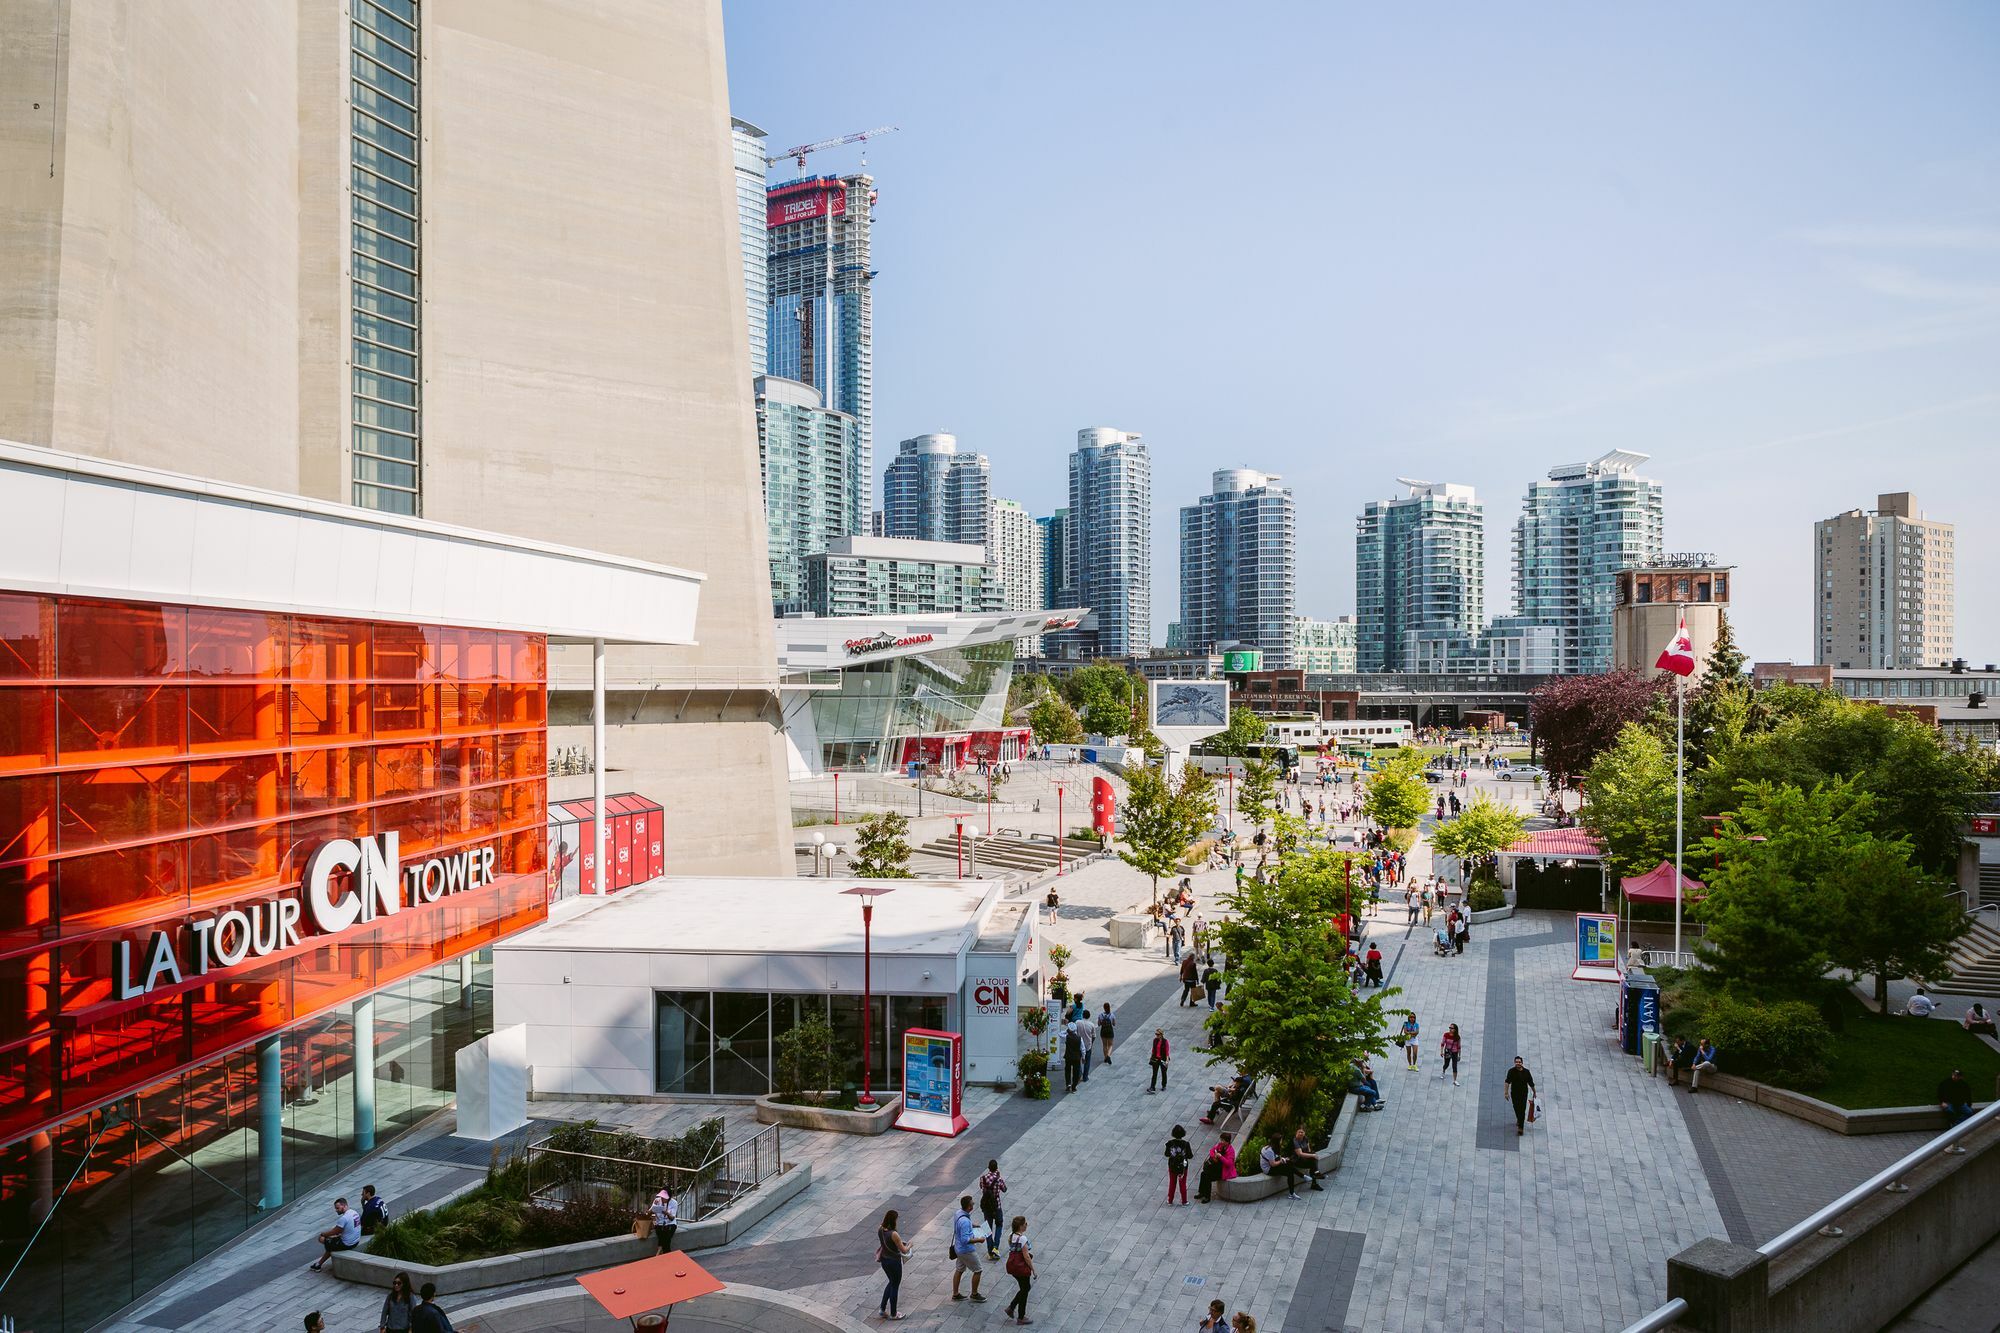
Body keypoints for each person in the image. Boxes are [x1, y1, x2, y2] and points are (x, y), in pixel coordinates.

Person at [1000, 1213, 1035, 1325]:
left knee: (1024, 1288)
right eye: (1025, 1223)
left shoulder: (1011, 1236)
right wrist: (1033, 1269)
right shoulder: (1022, 1238)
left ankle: (1011, 1307)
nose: (1026, 1225)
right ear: (1020, 1226)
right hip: (1021, 1268)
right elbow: (1026, 1256)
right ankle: (1021, 1316)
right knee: (1025, 1290)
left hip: (1013, 1266)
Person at [876, 1208, 911, 1320]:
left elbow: (886, 1243)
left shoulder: (880, 1229)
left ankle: (882, 1309)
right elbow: (904, 1250)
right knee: (895, 1285)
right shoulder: (894, 1234)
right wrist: (910, 1245)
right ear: (893, 1220)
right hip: (894, 1262)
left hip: (884, 1260)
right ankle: (894, 1313)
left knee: (891, 1282)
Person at [950, 1195, 986, 1303]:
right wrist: (979, 1240)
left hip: (958, 1248)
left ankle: (955, 1294)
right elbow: (966, 1239)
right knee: (978, 1270)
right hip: (966, 1250)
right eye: (972, 1204)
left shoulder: (958, 1213)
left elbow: (964, 1226)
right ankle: (974, 1294)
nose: (973, 1205)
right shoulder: (965, 1221)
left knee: (959, 1270)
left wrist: (975, 1226)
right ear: (969, 1207)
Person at [311, 1196, 362, 1271]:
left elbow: (335, 1231)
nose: (336, 1210)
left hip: (347, 1244)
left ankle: (319, 1264)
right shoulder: (354, 1213)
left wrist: (323, 1234)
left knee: (322, 1239)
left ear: (344, 1206)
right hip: (356, 1241)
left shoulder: (344, 1218)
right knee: (331, 1243)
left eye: (337, 1208)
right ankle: (318, 1264)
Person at [978, 1159, 1007, 1260]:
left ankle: (990, 1251)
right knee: (999, 1225)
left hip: (986, 1207)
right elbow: (1004, 1189)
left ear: (988, 1167)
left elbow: (981, 1187)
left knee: (987, 1228)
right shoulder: (999, 1179)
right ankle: (996, 1247)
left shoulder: (983, 1178)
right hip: (996, 1206)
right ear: (996, 1167)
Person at [1196, 1132, 1237, 1203]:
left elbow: (1229, 1163)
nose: (1221, 1142)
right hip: (1216, 1168)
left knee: (1207, 1177)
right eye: (1221, 1140)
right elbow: (1211, 1151)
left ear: (1227, 1142)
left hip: (1223, 1171)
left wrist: (1220, 1157)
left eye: (1222, 1140)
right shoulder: (1220, 1146)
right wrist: (1214, 1156)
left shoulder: (1231, 1151)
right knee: (1203, 1174)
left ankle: (1207, 1196)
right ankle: (1201, 1192)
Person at [1503, 1056, 1536, 1135]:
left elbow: (1531, 1083)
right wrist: (1506, 1093)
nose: (1518, 1063)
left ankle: (1520, 1128)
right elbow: (1507, 1082)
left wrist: (1534, 1092)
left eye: (1519, 1062)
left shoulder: (1526, 1072)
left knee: (1522, 1110)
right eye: (1516, 1062)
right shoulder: (1511, 1071)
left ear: (1522, 1063)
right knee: (1516, 1107)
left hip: (1523, 1094)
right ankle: (1519, 1119)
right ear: (1515, 1063)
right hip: (1514, 1093)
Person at [1164, 1123, 1194, 1205]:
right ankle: (1184, 1201)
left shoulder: (1170, 1143)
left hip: (1172, 1166)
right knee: (1183, 1184)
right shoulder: (1186, 1144)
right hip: (1183, 1167)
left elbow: (1166, 1154)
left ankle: (1170, 1200)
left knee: (1172, 1183)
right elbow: (1190, 1156)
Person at [1290, 1125, 1325, 1189]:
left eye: (1302, 1132)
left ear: (1304, 1133)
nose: (1300, 1134)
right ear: (1296, 1133)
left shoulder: (1305, 1138)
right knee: (1313, 1160)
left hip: (1304, 1158)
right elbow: (1300, 1154)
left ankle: (1315, 1179)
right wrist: (1312, 1155)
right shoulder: (1295, 1141)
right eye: (1299, 1132)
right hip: (1296, 1160)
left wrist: (1311, 1155)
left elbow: (1308, 1150)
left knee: (1313, 1160)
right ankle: (1316, 1177)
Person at [648, 1185, 678, 1252]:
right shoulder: (657, 1200)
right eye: (661, 1197)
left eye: (664, 1197)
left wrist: (667, 1213)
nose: (662, 1199)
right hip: (659, 1224)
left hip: (670, 1224)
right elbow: (648, 1212)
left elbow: (672, 1218)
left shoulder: (674, 1203)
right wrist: (654, 1207)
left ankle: (661, 1249)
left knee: (666, 1234)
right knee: (663, 1234)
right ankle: (665, 1253)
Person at [1062, 1020, 1084, 1093]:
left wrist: (1066, 1031)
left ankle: (1068, 1084)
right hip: (1077, 1057)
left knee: (1067, 1070)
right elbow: (1082, 1048)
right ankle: (1074, 1086)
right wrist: (1083, 1057)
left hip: (1068, 1056)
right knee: (1076, 1072)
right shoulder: (1079, 1038)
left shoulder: (1066, 1037)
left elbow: (1060, 1034)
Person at [1149, 1028, 1172, 1093]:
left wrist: (1167, 1061)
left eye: (1158, 1034)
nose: (1156, 1035)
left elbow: (1167, 1051)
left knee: (1164, 1073)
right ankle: (1152, 1087)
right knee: (1154, 1073)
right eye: (1156, 1034)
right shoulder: (1155, 1040)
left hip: (1163, 1059)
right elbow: (1153, 1049)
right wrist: (1152, 1057)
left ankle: (1164, 1085)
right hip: (1156, 1059)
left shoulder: (1165, 1041)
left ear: (1161, 1034)